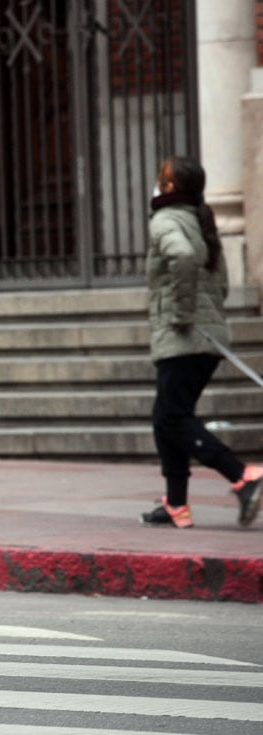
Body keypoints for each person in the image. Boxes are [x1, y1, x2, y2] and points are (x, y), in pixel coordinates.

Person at [141, 155, 262, 529]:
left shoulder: (166, 221)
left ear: (172, 188)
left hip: (185, 336)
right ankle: (176, 504)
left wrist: (179, 313)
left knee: (170, 417)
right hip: (206, 336)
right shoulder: (199, 219)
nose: (158, 183)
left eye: (163, 178)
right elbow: (221, 283)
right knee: (169, 420)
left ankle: (242, 476)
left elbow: (183, 256)